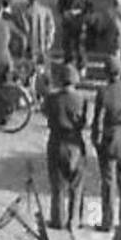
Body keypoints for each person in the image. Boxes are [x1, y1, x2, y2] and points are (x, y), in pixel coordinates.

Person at [92, 55, 121, 232]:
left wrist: (96, 140)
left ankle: (107, 221)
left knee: (108, 182)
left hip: (110, 138)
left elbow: (98, 120)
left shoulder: (103, 92)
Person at [43, 64, 88, 230]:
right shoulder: (81, 99)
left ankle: (58, 219)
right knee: (77, 184)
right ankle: (74, 220)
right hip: (75, 142)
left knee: (58, 185)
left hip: (56, 141)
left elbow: (45, 112)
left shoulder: (52, 98)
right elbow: (83, 121)